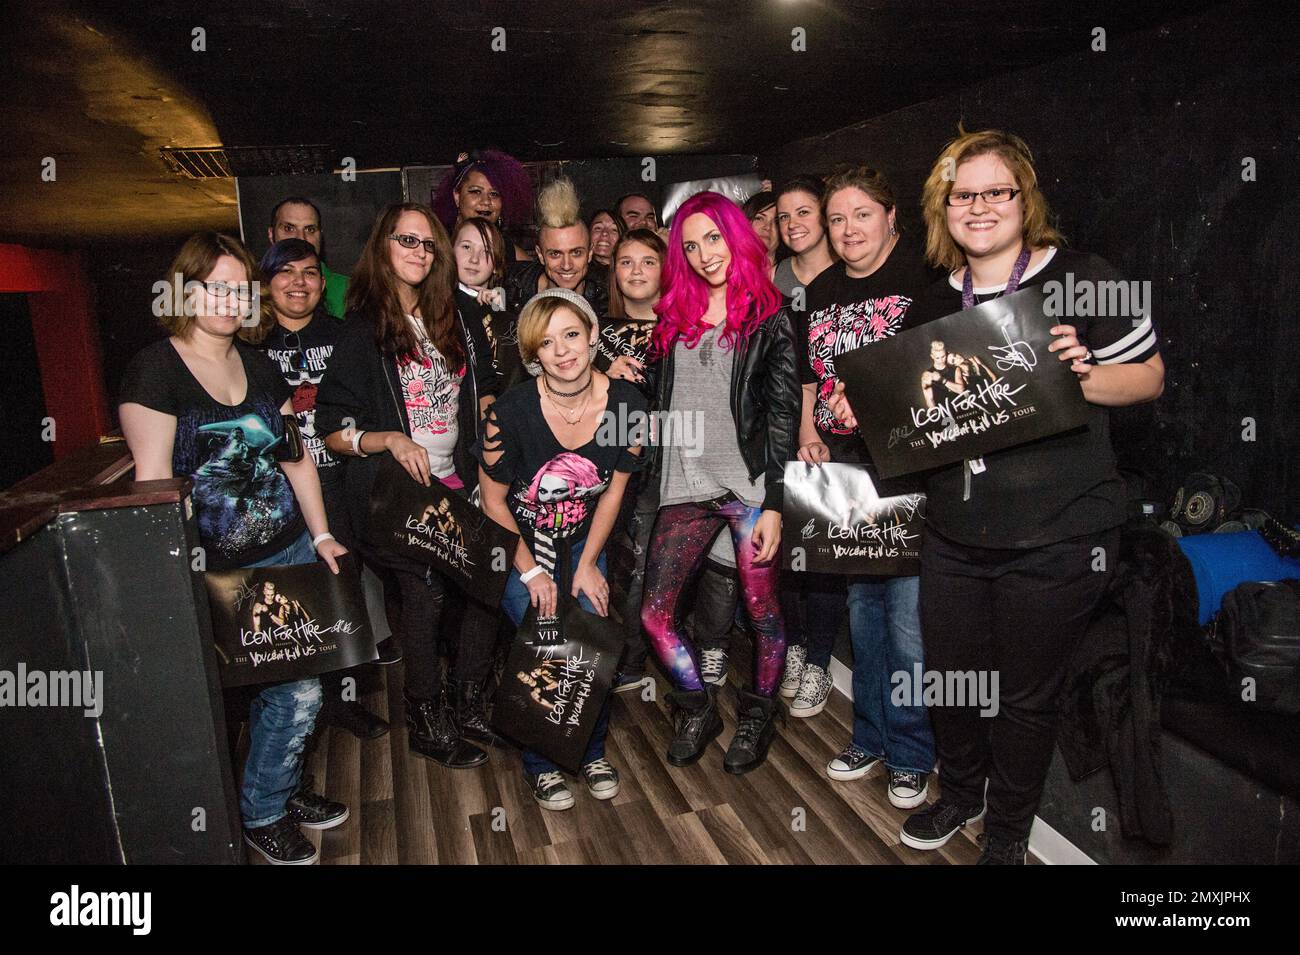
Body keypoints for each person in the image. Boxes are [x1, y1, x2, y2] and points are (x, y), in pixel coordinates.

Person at [833, 129, 1164, 864]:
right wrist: (871, 415)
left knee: (1024, 695)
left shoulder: (1081, 277)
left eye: (996, 191)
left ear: (1025, 199)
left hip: (1060, 534)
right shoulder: (932, 303)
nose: (979, 206)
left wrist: (1083, 378)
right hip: (954, 531)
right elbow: (917, 425)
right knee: (951, 678)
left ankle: (1008, 833)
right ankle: (958, 793)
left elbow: (1148, 379)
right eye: (963, 195)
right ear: (941, 207)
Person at [119, 231, 350, 865]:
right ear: (184, 290)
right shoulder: (155, 369)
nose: (228, 298)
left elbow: (296, 459)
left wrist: (323, 534)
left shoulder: (262, 363)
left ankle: (284, 784)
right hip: (220, 568)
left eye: (239, 287)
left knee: (309, 678)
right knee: (292, 691)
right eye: (214, 286)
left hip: (289, 547)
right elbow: (154, 491)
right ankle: (264, 812)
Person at [315, 202, 502, 769]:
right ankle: (424, 714)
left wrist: (489, 417)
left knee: (485, 580)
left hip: (459, 477)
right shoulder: (362, 331)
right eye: (406, 240)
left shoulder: (460, 317)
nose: (419, 252)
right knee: (424, 591)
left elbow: (488, 383)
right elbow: (331, 432)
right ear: (383, 248)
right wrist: (389, 439)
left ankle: (469, 700)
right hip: (393, 492)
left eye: (428, 244)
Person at [792, 166, 937, 808]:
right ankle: (869, 737)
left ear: (891, 218)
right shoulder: (820, 288)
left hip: (907, 469)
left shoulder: (924, 281)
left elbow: (942, 371)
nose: (848, 229)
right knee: (864, 615)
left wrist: (877, 404)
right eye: (838, 219)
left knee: (909, 626)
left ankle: (911, 753)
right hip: (844, 469)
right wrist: (807, 431)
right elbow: (806, 376)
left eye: (862, 215)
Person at [641, 191, 800, 775]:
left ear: (736, 238)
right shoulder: (672, 316)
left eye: (714, 238)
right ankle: (697, 707)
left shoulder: (770, 318)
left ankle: (757, 713)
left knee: (761, 614)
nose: (705, 254)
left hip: (750, 490)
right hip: (684, 485)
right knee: (655, 618)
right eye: (691, 245)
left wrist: (777, 504)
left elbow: (782, 417)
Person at [476, 289, 647, 809]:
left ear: (594, 336)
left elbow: (615, 488)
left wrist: (589, 563)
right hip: (519, 542)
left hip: (583, 540)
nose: (563, 351)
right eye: (547, 343)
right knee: (546, 638)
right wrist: (531, 574)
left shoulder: (628, 404)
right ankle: (540, 761)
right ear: (533, 356)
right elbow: (492, 502)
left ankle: (589, 751)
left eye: (572, 335)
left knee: (591, 632)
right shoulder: (508, 413)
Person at [257, 237, 394, 741]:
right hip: (279, 490)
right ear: (267, 283)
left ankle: (343, 699)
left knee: (344, 592)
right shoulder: (251, 346)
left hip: (340, 479)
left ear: (323, 281)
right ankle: (295, 704)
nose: (299, 282)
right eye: (286, 272)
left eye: (310, 272)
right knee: (290, 602)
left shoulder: (346, 336)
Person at [504, 178, 608, 315]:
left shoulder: (604, 297)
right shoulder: (510, 286)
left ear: (590, 253)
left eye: (576, 253)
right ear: (540, 255)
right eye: (555, 254)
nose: (566, 265)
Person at [452, 216, 528, 391]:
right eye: (466, 247)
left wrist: (499, 312)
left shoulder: (508, 307)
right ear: (451, 252)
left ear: (496, 264)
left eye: (486, 252)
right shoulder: (435, 304)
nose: (474, 259)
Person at [432, 148, 536, 262]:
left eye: (494, 194)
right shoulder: (435, 247)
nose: (486, 201)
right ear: (457, 196)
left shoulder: (510, 254)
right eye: (476, 191)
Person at [267, 197, 349, 319]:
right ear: (271, 234)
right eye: (289, 228)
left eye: (310, 230)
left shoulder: (350, 290)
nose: (300, 238)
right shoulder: (251, 286)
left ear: (320, 236)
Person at [773, 174, 836, 298]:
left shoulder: (852, 271)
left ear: (825, 215)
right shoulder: (771, 277)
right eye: (784, 217)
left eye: (803, 212)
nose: (791, 224)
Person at [743, 190, 780, 280]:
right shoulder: (726, 277)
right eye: (759, 218)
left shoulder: (792, 276)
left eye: (776, 221)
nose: (767, 227)